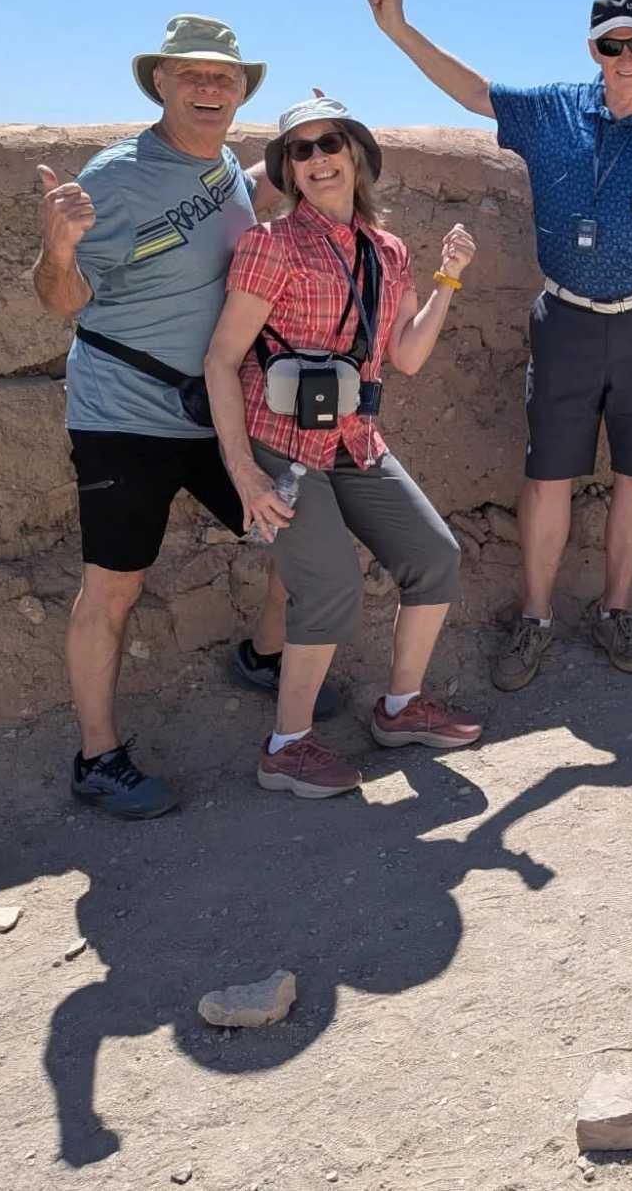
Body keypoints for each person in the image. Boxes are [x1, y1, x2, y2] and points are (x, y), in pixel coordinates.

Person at [367, 0, 632, 686]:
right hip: (566, 319)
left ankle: (616, 610)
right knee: (547, 473)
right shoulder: (554, 110)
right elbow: (475, 91)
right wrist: (401, 30)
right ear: (593, 49)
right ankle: (534, 618)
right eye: (611, 45)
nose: (625, 57)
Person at [32, 14, 293, 820]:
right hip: (123, 412)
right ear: (161, 83)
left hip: (212, 408)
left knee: (300, 533)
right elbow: (60, 301)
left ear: (241, 91)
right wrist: (59, 247)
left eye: (224, 77)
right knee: (114, 586)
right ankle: (97, 759)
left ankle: (264, 657)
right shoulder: (114, 177)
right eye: (193, 75)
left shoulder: (224, 168)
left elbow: (242, 193)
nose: (210, 88)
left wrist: (312, 142)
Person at [201, 96, 481, 799]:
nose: (318, 159)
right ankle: (286, 747)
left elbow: (406, 356)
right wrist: (243, 473)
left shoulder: (389, 252)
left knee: (434, 556)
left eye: (330, 144)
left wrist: (448, 277)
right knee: (329, 585)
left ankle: (400, 708)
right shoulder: (271, 245)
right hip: (280, 445)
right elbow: (222, 359)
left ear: (355, 154)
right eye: (301, 151)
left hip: (356, 440)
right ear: (289, 171)